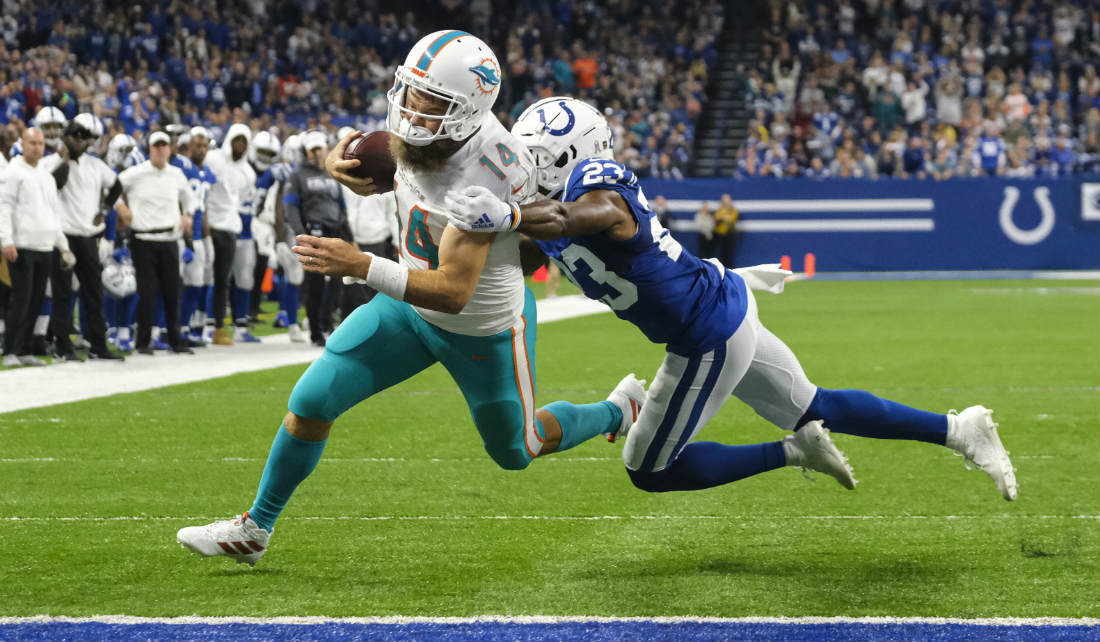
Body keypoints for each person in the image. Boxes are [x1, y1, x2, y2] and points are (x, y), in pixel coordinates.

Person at [176, 31, 646, 566]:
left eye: (432, 102)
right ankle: (254, 528)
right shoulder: (426, 136)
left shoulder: (489, 172)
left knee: (519, 449)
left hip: (480, 330)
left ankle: (617, 410)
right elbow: (385, 163)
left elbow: (454, 292)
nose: (413, 109)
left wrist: (361, 265)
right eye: (412, 92)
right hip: (407, 307)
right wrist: (338, 165)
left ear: (469, 112)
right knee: (310, 403)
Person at [444, 96, 1018, 502]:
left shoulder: (598, 191)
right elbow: (521, 252)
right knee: (816, 406)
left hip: (705, 335)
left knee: (647, 469)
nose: (524, 165)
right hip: (720, 303)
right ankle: (958, 430)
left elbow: (574, 217)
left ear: (571, 155)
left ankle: (792, 453)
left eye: (535, 155)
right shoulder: (544, 213)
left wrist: (510, 214)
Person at [43, 113, 125, 360]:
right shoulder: (50, 163)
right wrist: (65, 160)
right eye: (75, 137)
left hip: (88, 236)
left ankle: (98, 344)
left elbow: (117, 185)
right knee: (62, 293)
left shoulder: (95, 165)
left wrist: (104, 210)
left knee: (93, 292)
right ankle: (62, 346)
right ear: (65, 138)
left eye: (83, 138)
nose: (79, 142)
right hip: (63, 237)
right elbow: (56, 184)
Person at [0, 128, 75, 366]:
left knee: (36, 299)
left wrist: (63, 246)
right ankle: (10, 350)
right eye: (32, 143)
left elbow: (54, 213)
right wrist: (6, 240)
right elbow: (4, 207)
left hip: (45, 245)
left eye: (40, 143)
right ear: (22, 144)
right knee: (21, 299)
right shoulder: (13, 172)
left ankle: (25, 349)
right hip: (22, 245)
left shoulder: (46, 177)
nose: (37, 147)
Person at [117, 131, 195, 355]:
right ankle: (143, 341)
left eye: (164, 146)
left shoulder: (176, 174)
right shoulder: (136, 173)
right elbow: (112, 187)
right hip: (143, 238)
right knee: (147, 292)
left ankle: (174, 340)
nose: (160, 150)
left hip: (170, 238)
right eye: (156, 146)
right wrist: (120, 206)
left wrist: (188, 214)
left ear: (170, 149)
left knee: (172, 292)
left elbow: (189, 198)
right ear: (150, 149)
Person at [282, 130, 347, 346]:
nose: (318, 153)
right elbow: (290, 208)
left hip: (334, 231)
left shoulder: (331, 173)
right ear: (306, 151)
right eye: (313, 150)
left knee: (337, 283)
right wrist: (301, 234)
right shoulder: (297, 175)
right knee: (315, 285)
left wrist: (347, 233)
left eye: (320, 148)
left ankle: (327, 323)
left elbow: (341, 206)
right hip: (314, 232)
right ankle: (315, 331)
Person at [203, 123, 255, 346]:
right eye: (237, 140)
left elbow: (240, 200)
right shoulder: (212, 159)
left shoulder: (248, 173)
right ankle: (197, 325)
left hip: (229, 228)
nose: (240, 145)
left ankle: (217, 327)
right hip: (208, 225)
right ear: (229, 140)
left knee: (222, 279)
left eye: (244, 141)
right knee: (202, 278)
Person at [264, 133, 305, 342]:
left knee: (301, 276)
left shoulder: (305, 171)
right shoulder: (286, 172)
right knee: (293, 274)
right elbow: (279, 206)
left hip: (301, 226)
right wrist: (279, 238)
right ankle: (292, 322)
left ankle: (296, 317)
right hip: (288, 228)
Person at [183, 127, 218, 344]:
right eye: (198, 145)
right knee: (185, 285)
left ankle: (189, 327)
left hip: (198, 236)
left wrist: (207, 238)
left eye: (205, 146)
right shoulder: (182, 167)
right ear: (189, 146)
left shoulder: (208, 173)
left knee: (198, 284)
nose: (202, 150)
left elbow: (204, 209)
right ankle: (177, 328)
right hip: (182, 235)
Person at [712, 193, 739, 268]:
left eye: (727, 200)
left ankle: (730, 269)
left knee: (729, 254)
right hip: (720, 235)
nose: (725, 202)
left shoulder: (733, 210)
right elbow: (717, 217)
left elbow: (732, 218)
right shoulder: (719, 210)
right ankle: (723, 268)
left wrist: (723, 217)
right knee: (722, 253)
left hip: (730, 235)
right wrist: (725, 216)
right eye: (724, 200)